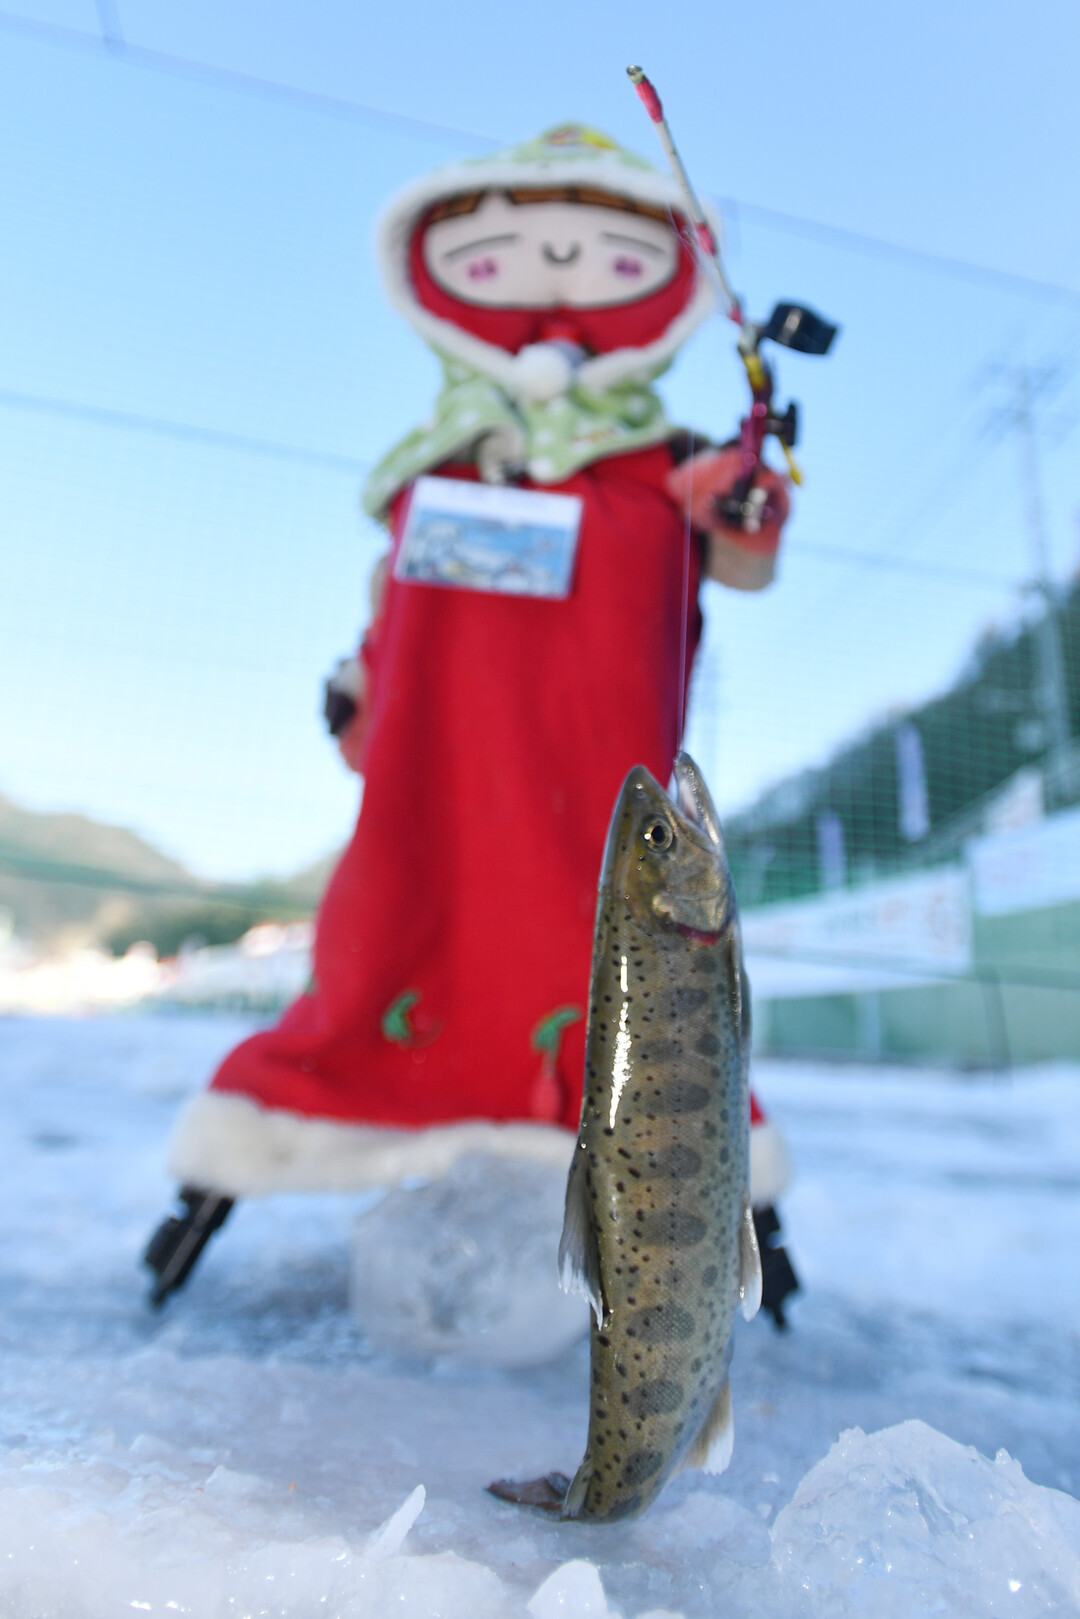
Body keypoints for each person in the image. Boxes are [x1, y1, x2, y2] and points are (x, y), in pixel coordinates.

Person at [145, 124, 798, 1326]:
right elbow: (388, 622)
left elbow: (744, 542)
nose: (557, 259)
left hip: (605, 789)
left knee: (613, 966)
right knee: (396, 935)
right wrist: (357, 689)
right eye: (508, 244)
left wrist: (756, 483)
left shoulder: (673, 462)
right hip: (433, 783)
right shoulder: (433, 468)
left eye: (603, 244)